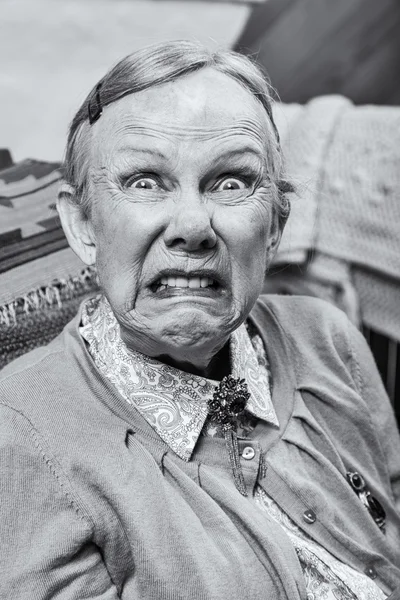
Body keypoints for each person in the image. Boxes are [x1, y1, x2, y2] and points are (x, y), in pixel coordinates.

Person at [0, 40, 399, 600]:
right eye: (145, 181)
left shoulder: (327, 337)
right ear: (84, 226)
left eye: (231, 182)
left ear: (275, 226)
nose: (192, 225)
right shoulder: (20, 436)